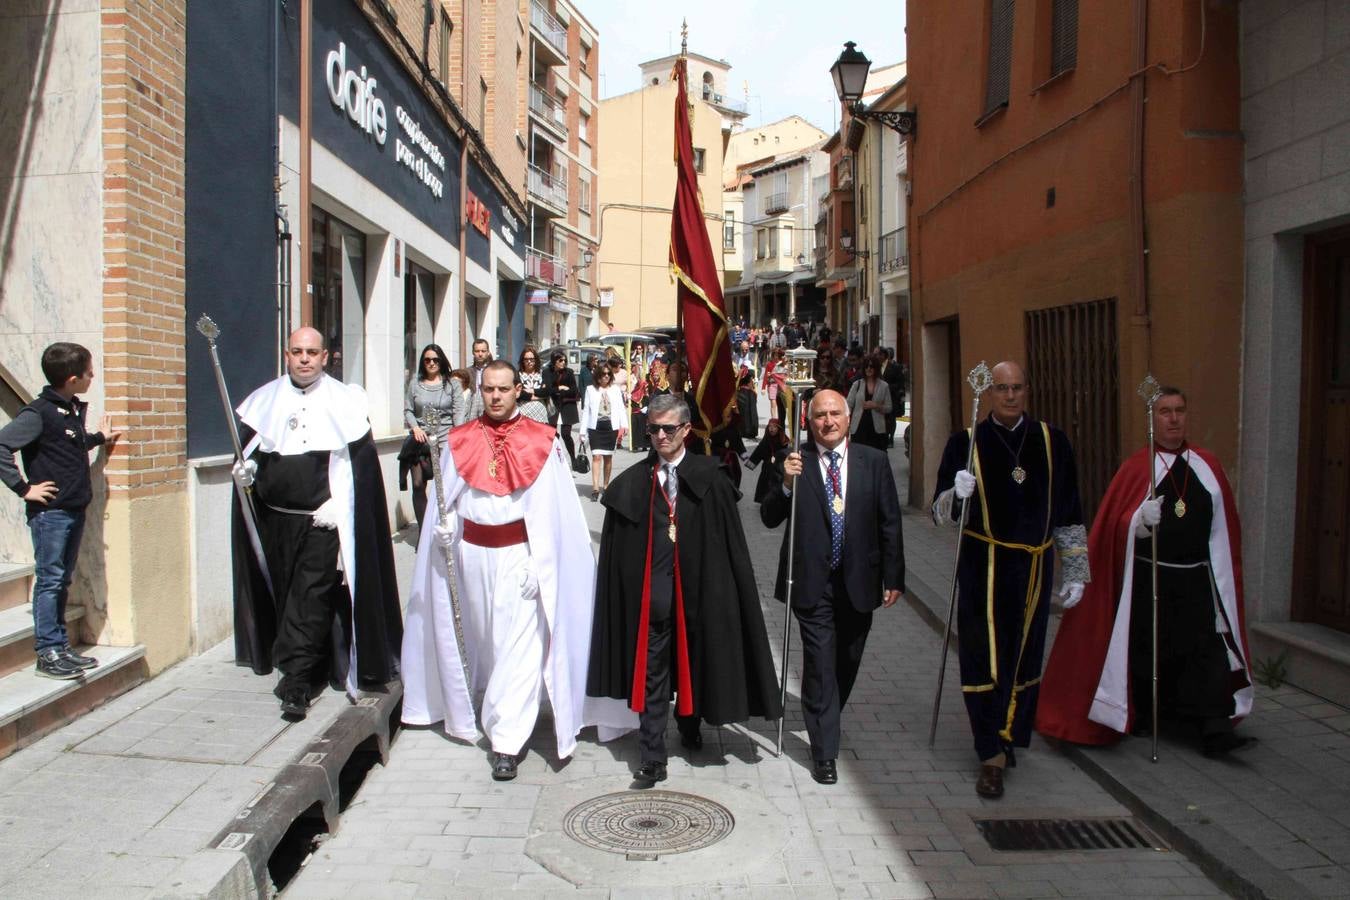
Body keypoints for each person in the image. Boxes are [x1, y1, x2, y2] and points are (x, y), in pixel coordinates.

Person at [400, 360, 611, 779]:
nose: (495, 397)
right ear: (480, 391)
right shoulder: (459, 440)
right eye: (488, 390)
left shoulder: (542, 440)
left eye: (503, 389)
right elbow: (450, 499)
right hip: (471, 556)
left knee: (520, 649)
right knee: (488, 643)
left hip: (520, 558)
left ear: (518, 390)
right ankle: (485, 709)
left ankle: (507, 741)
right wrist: (446, 530)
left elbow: (557, 511)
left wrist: (541, 561)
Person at [1037, 387, 1254, 757]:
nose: (1173, 419)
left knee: (1207, 650)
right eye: (1165, 412)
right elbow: (1114, 528)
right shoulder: (1138, 467)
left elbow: (1224, 529)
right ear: (1153, 420)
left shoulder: (1207, 465)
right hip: (1151, 578)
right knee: (1149, 649)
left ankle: (1214, 728)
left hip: (1197, 579)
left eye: (1179, 411)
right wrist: (1138, 521)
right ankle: (1147, 714)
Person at [589, 394, 782, 784]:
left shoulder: (712, 479)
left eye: (668, 428)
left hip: (701, 598)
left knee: (696, 662)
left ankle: (690, 723)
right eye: (654, 429)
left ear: (686, 430)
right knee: (653, 675)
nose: (660, 436)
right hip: (654, 601)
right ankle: (652, 755)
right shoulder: (630, 485)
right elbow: (618, 556)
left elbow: (733, 549)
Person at [930, 360, 1089, 798]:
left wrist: (1076, 570)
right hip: (984, 566)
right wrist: (953, 494)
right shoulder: (966, 443)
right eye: (1002, 388)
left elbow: (1070, 510)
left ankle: (1007, 734)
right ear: (989, 393)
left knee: (1023, 656)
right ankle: (990, 755)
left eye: (1017, 387)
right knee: (984, 657)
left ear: (1027, 389)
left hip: (1035, 569)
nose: (1010, 395)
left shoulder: (1052, 441)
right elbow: (940, 514)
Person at [230, 327, 403, 719]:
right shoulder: (264, 401)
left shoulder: (345, 402)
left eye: (312, 352)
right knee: (288, 594)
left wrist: (339, 505)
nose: (304, 359)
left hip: (322, 523)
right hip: (276, 520)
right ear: (286, 355)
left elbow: (360, 472)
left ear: (326, 357)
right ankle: (313, 662)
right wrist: (246, 472)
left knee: (308, 597)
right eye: (297, 351)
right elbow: (251, 454)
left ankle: (296, 683)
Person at [761, 390, 904, 785]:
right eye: (820, 415)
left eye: (834, 413)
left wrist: (895, 576)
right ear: (809, 421)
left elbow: (890, 520)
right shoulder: (794, 460)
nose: (828, 421)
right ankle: (825, 751)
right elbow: (770, 516)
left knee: (848, 658)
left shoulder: (873, 461)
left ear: (848, 416)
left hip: (859, 579)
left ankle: (827, 712)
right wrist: (786, 485)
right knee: (821, 663)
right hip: (811, 581)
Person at [0, 342, 120, 680]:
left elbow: (70, 443)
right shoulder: (38, 413)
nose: (92, 376)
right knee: (50, 581)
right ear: (71, 378)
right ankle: (47, 652)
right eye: (88, 372)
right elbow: (2, 445)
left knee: (61, 580)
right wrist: (25, 489)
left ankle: (60, 646)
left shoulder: (67, 410)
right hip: (50, 515)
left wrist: (99, 437)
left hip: (72, 509)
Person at [401, 343, 462, 529]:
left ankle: (442, 526)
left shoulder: (452, 385)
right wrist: (415, 428)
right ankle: (423, 530)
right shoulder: (415, 384)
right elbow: (408, 410)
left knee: (442, 488)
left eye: (435, 360)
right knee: (418, 485)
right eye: (427, 360)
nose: (431, 363)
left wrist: (456, 435)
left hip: (445, 440)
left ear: (441, 361)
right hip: (420, 441)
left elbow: (458, 412)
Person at [583, 367, 629, 500]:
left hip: (610, 427)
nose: (606, 376)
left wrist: (624, 425)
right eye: (603, 374)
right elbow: (586, 411)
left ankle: (606, 485)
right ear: (598, 376)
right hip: (595, 428)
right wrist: (582, 432)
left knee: (608, 458)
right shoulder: (590, 390)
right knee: (596, 457)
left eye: (609, 374)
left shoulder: (615, 390)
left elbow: (621, 408)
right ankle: (595, 488)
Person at [846, 356, 892, 453]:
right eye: (866, 366)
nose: (869, 369)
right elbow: (848, 405)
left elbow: (889, 408)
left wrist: (876, 406)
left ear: (876, 368)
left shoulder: (884, 386)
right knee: (859, 456)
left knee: (877, 456)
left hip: (877, 430)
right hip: (859, 428)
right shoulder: (857, 384)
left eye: (871, 366)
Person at [543, 351, 580, 463]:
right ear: (554, 361)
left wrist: (561, 392)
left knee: (566, 434)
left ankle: (573, 459)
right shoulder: (547, 372)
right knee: (552, 434)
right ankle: (554, 460)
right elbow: (548, 389)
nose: (563, 362)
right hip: (553, 406)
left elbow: (574, 390)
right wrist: (561, 388)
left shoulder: (569, 372)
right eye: (560, 360)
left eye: (565, 360)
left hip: (567, 406)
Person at [746, 417, 790, 504]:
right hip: (766, 468)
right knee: (765, 483)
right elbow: (759, 451)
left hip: (778, 468)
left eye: (774, 427)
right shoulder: (766, 440)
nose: (772, 429)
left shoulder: (783, 441)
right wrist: (751, 463)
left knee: (777, 484)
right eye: (770, 427)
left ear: (779, 429)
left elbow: (786, 454)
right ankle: (764, 500)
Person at [880, 348, 905, 447]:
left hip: (892, 396)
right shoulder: (876, 366)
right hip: (880, 397)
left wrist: (888, 387)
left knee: (891, 418)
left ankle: (891, 438)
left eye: (880, 355)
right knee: (884, 419)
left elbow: (900, 383)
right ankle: (884, 437)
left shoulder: (895, 367)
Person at [517, 348, 549, 423]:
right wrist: (539, 394)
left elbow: (547, 392)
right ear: (522, 361)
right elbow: (519, 394)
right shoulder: (517, 375)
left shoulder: (543, 374)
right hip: (523, 414)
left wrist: (530, 390)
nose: (529, 361)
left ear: (536, 360)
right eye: (526, 359)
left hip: (540, 415)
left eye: (531, 359)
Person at [465, 338, 492, 420]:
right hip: (472, 407)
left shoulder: (494, 371)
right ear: (473, 352)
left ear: (488, 352)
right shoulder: (467, 372)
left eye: (483, 351)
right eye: (477, 351)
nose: (480, 354)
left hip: (489, 403)